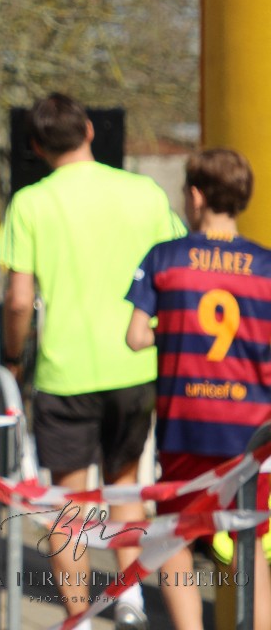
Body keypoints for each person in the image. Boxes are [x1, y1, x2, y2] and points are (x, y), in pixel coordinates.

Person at [0, 92, 185, 629]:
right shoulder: (144, 192)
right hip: (135, 366)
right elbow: (174, 274)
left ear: (36, 147)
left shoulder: (29, 202)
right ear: (90, 132)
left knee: (69, 501)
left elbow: (17, 302)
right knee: (126, 486)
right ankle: (130, 597)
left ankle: (78, 615)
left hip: (65, 371)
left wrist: (12, 357)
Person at [125, 148, 271, 630]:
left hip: (185, 425)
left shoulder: (166, 257)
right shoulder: (266, 267)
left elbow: (136, 336)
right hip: (251, 430)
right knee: (248, 539)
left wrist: (175, 331)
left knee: (173, 536)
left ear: (195, 195)